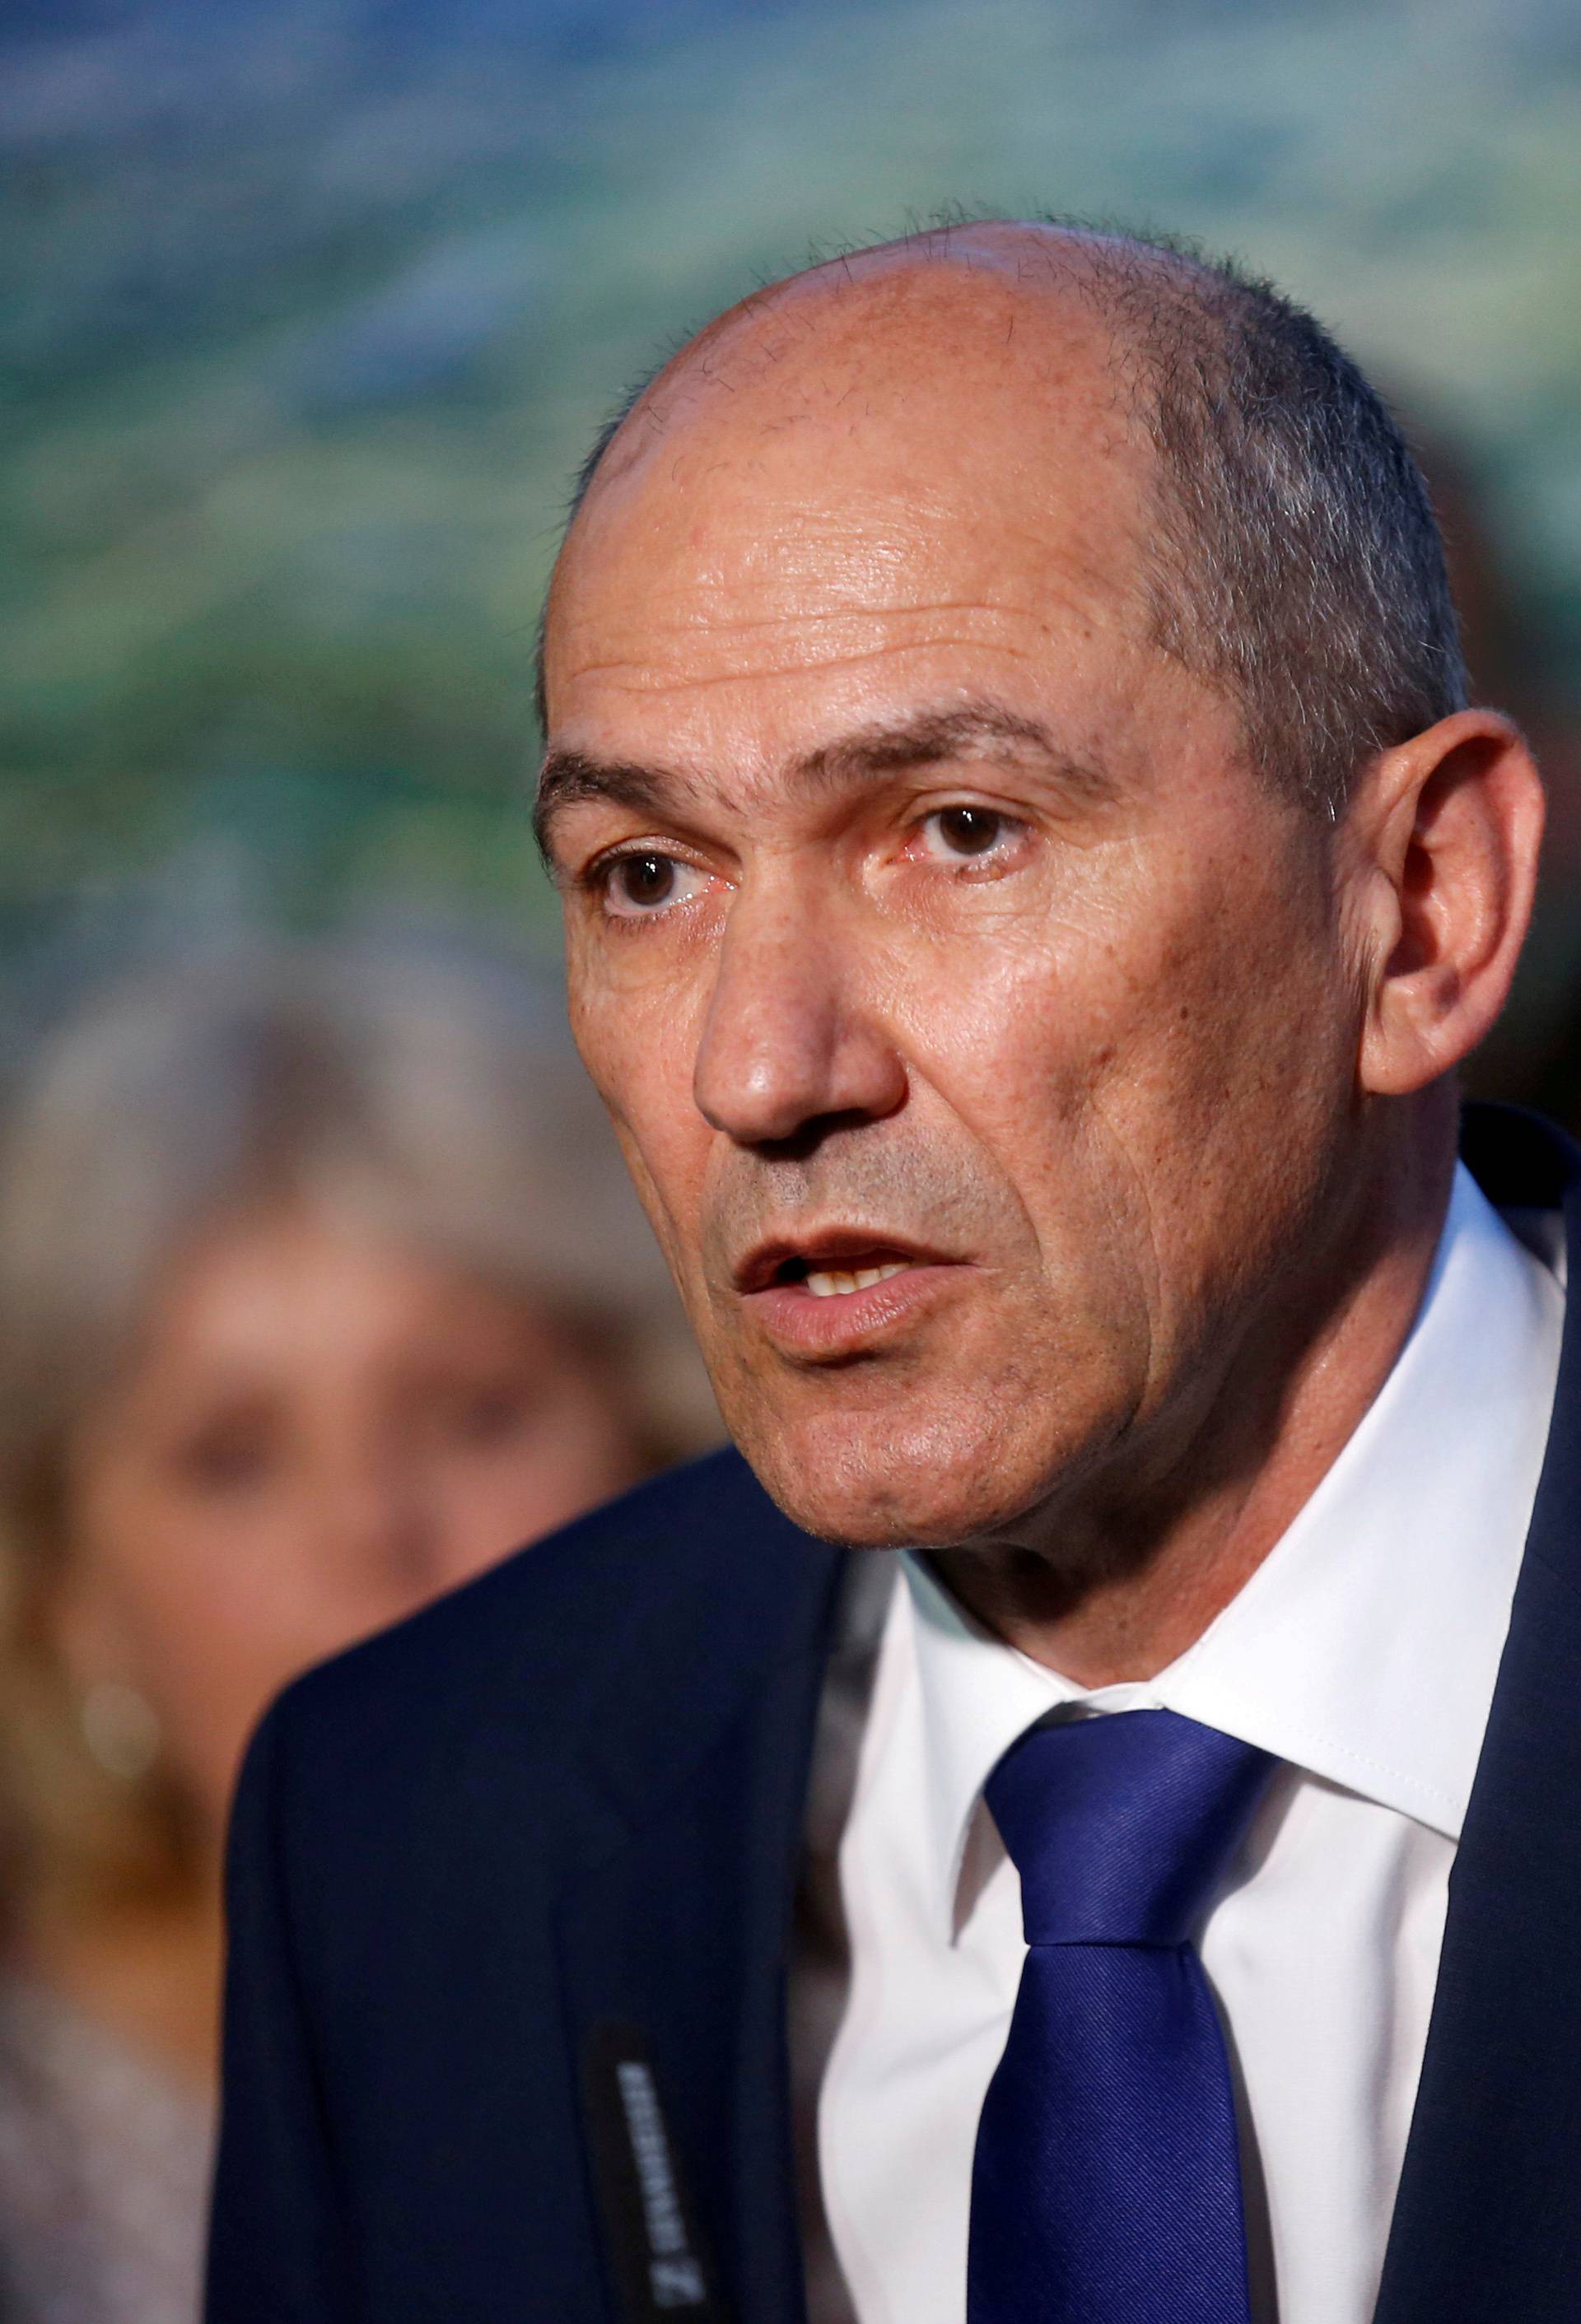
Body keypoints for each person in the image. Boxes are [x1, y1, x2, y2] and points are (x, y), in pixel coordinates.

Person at [207, 220, 1576, 2324]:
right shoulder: (409, 1828)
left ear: (1420, 903)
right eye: (645, 876)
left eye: (958, 830)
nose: (762, 1066)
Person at [0, 938, 711, 2324]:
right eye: (231, 1458)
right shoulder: (36, 2193)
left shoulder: (882, 1986)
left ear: (662, 1448)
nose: (370, 1528)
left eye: (473, 1414)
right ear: (72, 1598)